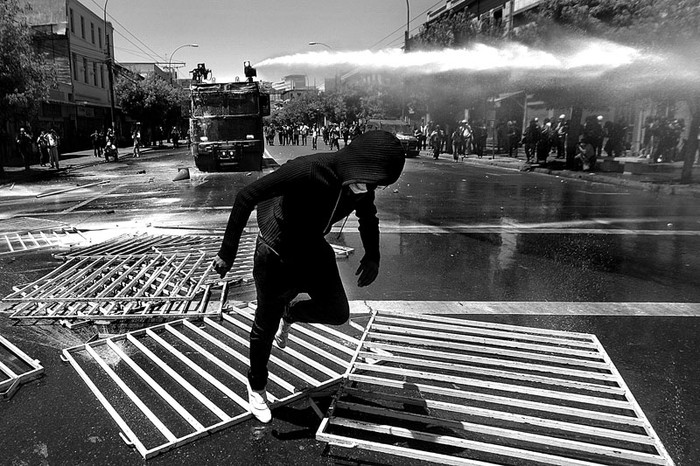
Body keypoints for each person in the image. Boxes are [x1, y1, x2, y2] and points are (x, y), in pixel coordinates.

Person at [212, 130, 405, 423]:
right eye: (370, 181)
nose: (369, 190)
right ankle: (257, 385)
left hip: (312, 245)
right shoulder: (309, 169)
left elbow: (368, 218)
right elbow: (246, 196)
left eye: (376, 184)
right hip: (275, 248)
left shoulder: (360, 187)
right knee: (265, 322)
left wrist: (373, 255)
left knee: (338, 311)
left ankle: (291, 312)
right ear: (358, 164)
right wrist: (227, 254)